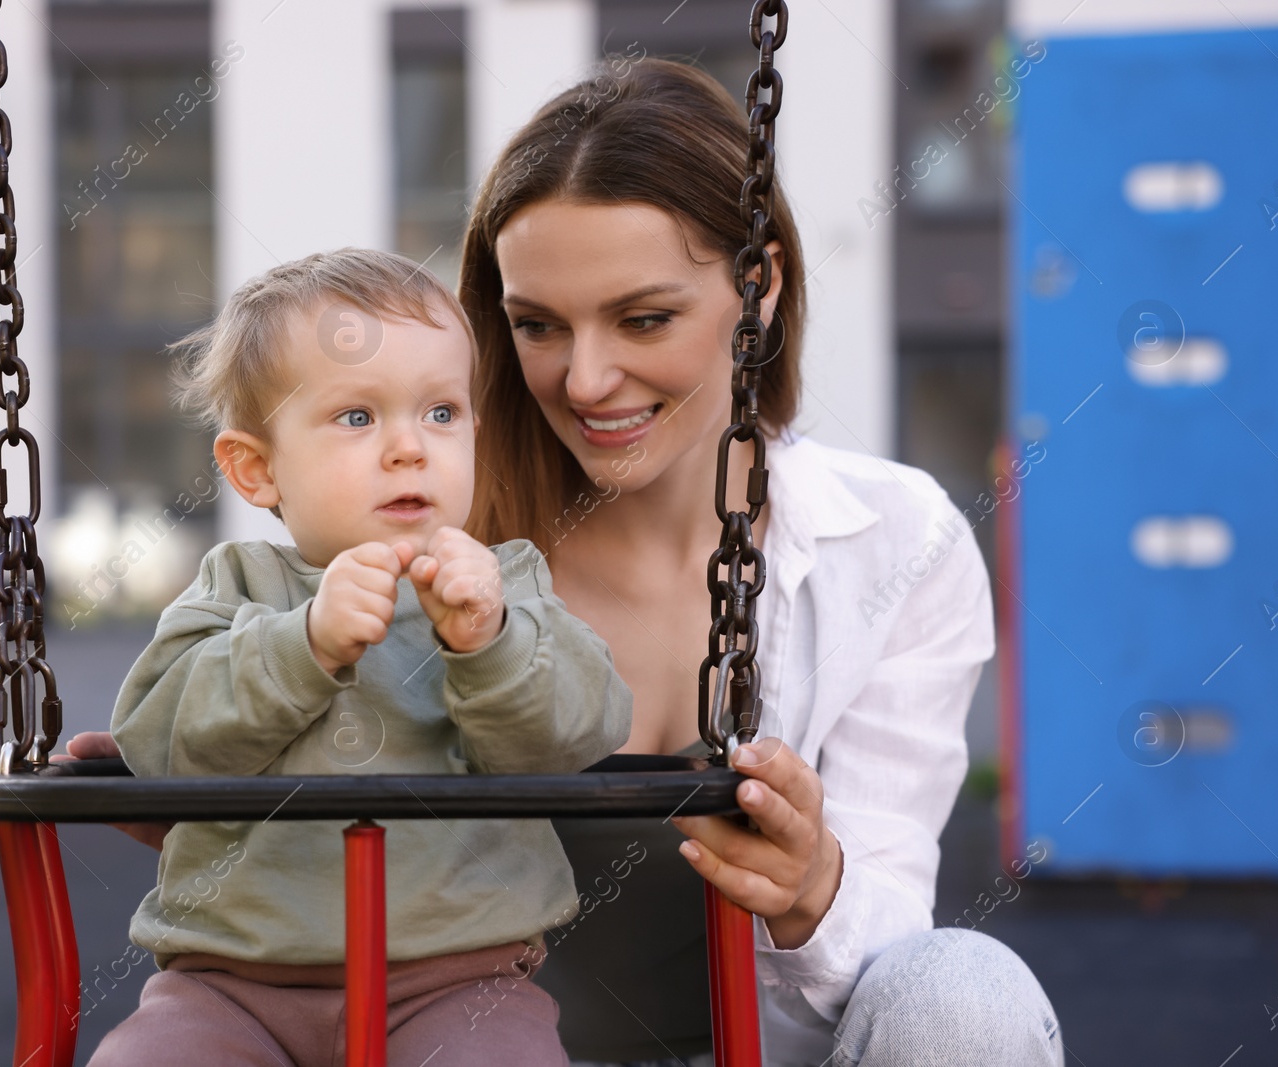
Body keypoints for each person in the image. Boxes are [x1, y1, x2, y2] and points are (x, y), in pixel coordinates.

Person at [69, 58, 1064, 1066]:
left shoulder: (891, 540)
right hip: (446, 1035)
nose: (584, 379)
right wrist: (250, 781)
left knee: (964, 989)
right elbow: (195, 720)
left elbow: (887, 937)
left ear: (753, 288)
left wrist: (816, 885)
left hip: (745, 1043)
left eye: (642, 318)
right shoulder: (423, 535)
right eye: (537, 324)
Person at [81, 248, 633, 1067]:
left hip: (459, 980)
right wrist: (303, 643)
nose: (410, 447)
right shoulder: (239, 586)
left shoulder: (505, 582)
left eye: (442, 413)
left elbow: (582, 731)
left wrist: (491, 642)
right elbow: (157, 736)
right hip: (229, 986)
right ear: (256, 468)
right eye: (357, 417)